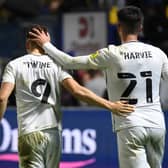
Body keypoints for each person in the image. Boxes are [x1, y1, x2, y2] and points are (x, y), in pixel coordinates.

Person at [29, 6, 168, 168]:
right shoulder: (158, 53)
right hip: (157, 124)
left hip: (130, 124)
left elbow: (69, 61)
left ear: (119, 28)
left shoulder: (112, 54)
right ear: (141, 27)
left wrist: (46, 45)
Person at [0, 24, 134, 168]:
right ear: (46, 42)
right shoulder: (56, 64)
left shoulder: (14, 65)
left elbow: (2, 98)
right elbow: (78, 91)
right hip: (53, 134)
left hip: (29, 132)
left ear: (27, 43)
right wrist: (110, 105)